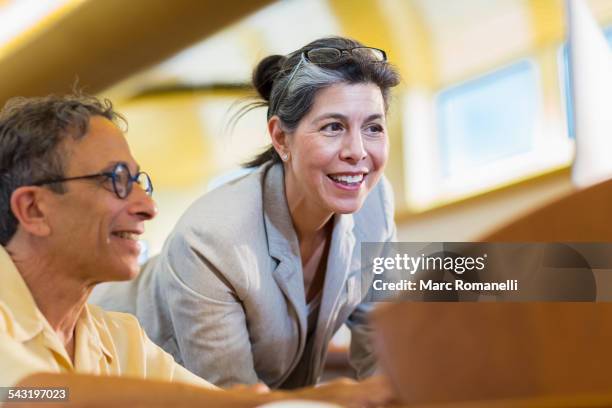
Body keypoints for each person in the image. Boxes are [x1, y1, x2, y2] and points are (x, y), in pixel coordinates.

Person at [0, 93, 393, 407]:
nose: (147, 207)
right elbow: (26, 394)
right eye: (116, 180)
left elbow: (214, 402)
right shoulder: (215, 235)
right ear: (34, 209)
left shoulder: (118, 335)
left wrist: (326, 398)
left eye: (141, 182)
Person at [92, 36, 400, 388]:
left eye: (373, 128)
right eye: (334, 127)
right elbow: (232, 396)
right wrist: (338, 397)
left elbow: (383, 342)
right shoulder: (212, 238)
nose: (357, 151)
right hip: (102, 367)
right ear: (281, 139)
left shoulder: (375, 204)